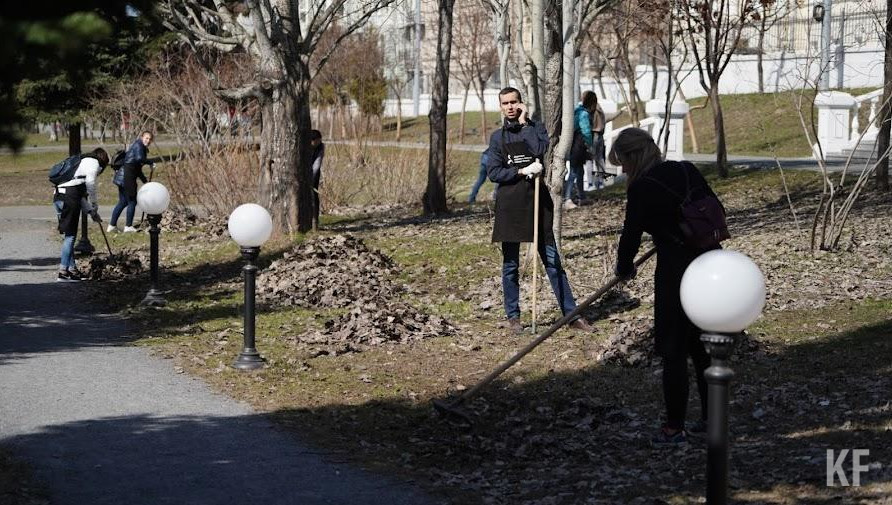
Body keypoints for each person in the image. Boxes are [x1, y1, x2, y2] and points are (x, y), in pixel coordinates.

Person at [610, 128, 723, 447]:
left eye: (621, 161)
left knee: (673, 350)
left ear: (633, 157)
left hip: (677, 270)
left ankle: (674, 429)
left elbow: (630, 234)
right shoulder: (686, 169)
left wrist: (624, 268)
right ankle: (712, 419)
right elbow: (713, 208)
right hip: (713, 265)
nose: (621, 169)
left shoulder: (642, 188)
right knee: (704, 345)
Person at [484, 87, 592, 334]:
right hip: (510, 206)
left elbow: (539, 150)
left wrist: (524, 125)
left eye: (514, 102)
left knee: (553, 262)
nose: (510, 107)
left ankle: (571, 314)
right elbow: (493, 172)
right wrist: (520, 172)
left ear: (521, 104)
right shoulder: (497, 138)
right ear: (501, 107)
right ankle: (514, 317)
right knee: (510, 265)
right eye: (505, 103)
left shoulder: (536, 128)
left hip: (536, 202)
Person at [55, 148, 109, 281]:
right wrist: (95, 204)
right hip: (69, 198)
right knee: (71, 236)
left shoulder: (81, 163)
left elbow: (80, 196)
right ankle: (62, 272)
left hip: (59, 197)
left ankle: (72, 270)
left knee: (69, 236)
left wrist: (91, 212)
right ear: (102, 161)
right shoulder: (94, 163)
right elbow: (90, 184)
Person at [109, 131, 154, 232]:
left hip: (122, 176)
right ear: (142, 137)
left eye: (150, 139)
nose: (148, 140)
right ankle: (128, 226)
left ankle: (111, 226)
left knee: (123, 202)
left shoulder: (139, 146)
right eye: (146, 138)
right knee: (132, 201)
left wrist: (145, 182)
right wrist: (150, 162)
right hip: (127, 177)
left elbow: (137, 169)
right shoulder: (139, 146)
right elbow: (139, 159)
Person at [564, 91, 598, 209]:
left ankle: (581, 197)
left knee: (580, 172)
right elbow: (586, 132)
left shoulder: (577, 111)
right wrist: (590, 146)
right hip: (578, 147)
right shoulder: (584, 114)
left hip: (575, 146)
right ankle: (567, 199)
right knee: (573, 172)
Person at [309, 129, 324, 227]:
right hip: (303, 172)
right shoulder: (304, 146)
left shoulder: (321, 147)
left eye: (320, 140)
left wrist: (312, 179)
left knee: (314, 195)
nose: (319, 142)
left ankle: (315, 221)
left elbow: (317, 164)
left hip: (314, 173)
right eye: (317, 141)